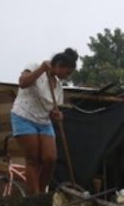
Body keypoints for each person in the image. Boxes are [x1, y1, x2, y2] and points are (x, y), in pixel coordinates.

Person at [11, 48, 78, 194]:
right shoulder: (35, 66)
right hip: (24, 117)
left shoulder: (59, 87)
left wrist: (57, 115)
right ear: (59, 65)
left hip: (44, 122)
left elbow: (52, 111)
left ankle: (42, 193)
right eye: (67, 72)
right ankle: (34, 196)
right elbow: (22, 83)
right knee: (33, 159)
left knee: (50, 158)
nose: (67, 77)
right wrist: (41, 69)